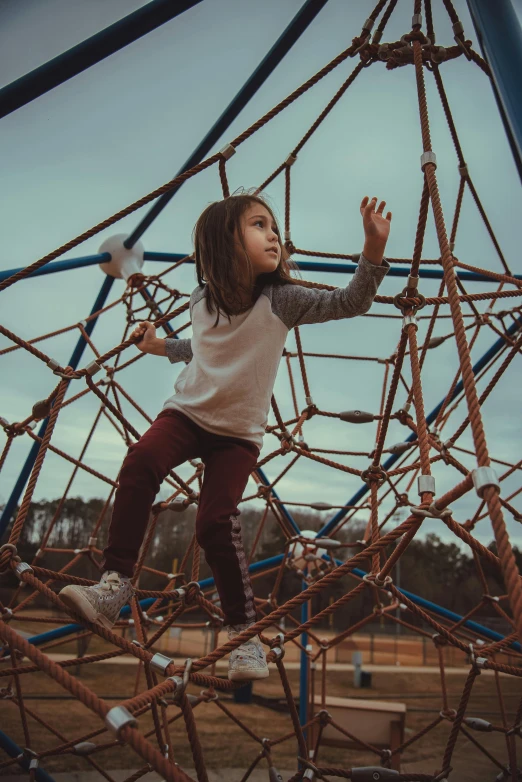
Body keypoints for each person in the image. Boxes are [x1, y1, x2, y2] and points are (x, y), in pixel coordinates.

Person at [59, 190, 391, 681]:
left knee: (215, 523)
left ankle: (243, 636)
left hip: (237, 434)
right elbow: (202, 345)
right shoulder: (201, 299)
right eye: (259, 225)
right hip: (188, 413)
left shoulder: (282, 299)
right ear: (222, 243)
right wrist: (157, 346)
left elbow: (350, 302)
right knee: (140, 460)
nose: (273, 234)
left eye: (273, 226)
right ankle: (115, 585)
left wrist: (372, 250)